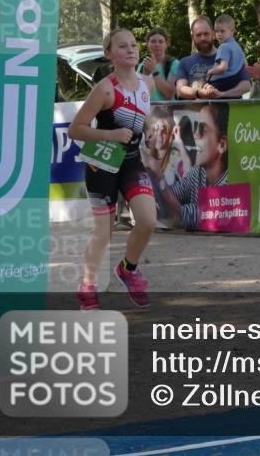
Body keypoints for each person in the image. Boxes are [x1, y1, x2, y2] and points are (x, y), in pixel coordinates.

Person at [68, 28, 157, 310]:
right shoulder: (105, 89)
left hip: (131, 161)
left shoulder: (148, 83)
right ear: (109, 54)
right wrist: (111, 135)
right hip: (102, 164)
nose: (131, 49)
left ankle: (128, 269)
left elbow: (141, 118)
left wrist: (149, 130)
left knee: (147, 220)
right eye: (122, 46)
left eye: (133, 45)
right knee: (103, 234)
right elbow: (75, 130)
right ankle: (88, 286)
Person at [150, 104, 229, 232]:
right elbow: (173, 196)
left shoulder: (229, 184)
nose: (195, 135)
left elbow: (183, 215)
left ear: (221, 144)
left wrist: (160, 178)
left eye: (203, 129)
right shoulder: (198, 172)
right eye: (195, 127)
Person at [175, 16, 251, 100]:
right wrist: (199, 93)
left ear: (213, 34)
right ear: (193, 38)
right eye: (198, 35)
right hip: (198, 112)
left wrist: (222, 94)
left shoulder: (231, 54)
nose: (202, 38)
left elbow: (246, 85)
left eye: (206, 34)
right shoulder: (185, 62)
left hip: (231, 111)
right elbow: (180, 90)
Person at [204, 14, 246, 89]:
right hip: (235, 80)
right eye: (217, 31)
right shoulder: (237, 46)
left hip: (221, 81)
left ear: (232, 31)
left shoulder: (224, 47)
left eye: (222, 31)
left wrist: (210, 71)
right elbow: (245, 63)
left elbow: (223, 67)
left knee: (203, 92)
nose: (219, 34)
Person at [141, 26, 179, 101]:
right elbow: (139, 92)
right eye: (153, 41)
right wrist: (144, 74)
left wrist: (154, 71)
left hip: (167, 111)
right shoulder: (142, 65)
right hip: (147, 111)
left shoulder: (173, 64)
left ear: (167, 44)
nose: (157, 45)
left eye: (161, 41)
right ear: (147, 44)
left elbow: (169, 93)